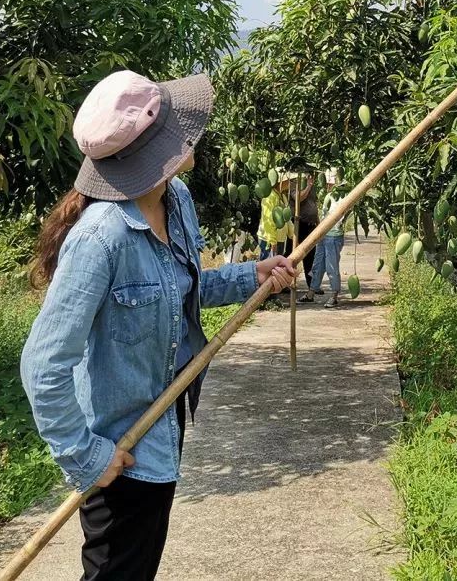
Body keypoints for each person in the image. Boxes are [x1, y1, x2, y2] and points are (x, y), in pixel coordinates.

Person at [20, 70, 295, 581]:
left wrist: (250, 277)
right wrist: (85, 457)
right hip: (120, 450)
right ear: (150, 150)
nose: (189, 135)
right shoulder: (101, 239)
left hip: (165, 420)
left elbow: (178, 294)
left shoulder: (177, 200)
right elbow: (42, 365)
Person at [306, 181, 350, 307]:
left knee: (332, 267)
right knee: (318, 265)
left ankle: (334, 295)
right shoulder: (328, 196)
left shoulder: (348, 197)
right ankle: (311, 293)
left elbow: (346, 214)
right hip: (323, 235)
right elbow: (323, 214)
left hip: (334, 237)